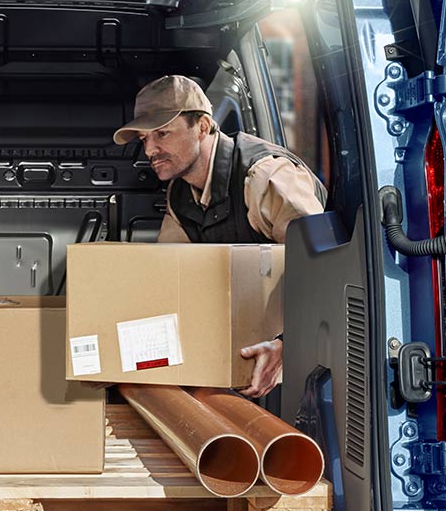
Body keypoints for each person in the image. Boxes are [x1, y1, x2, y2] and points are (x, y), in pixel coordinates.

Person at [112, 73, 327, 398]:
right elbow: (168, 276)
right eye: (144, 139)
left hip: (302, 347)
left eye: (162, 134)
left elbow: (323, 267)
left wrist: (288, 345)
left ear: (202, 126)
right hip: (240, 349)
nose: (150, 149)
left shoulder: (264, 177)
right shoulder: (180, 196)